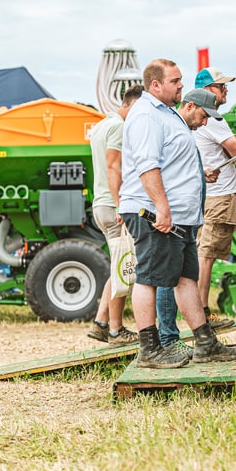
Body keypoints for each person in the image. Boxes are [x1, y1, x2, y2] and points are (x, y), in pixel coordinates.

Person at [119, 59, 236, 368]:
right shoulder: (147, 115)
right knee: (149, 278)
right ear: (155, 85)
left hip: (180, 217)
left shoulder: (167, 115)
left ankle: (204, 342)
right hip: (155, 213)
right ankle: (150, 348)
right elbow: (147, 165)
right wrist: (161, 208)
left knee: (186, 277)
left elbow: (172, 162)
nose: (180, 85)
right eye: (175, 81)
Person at [86, 84, 144, 347]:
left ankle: (100, 323)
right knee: (124, 267)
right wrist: (122, 203)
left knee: (118, 264)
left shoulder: (101, 125)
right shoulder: (120, 127)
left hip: (101, 203)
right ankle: (116, 330)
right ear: (132, 105)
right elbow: (113, 166)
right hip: (113, 205)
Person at [192, 67, 236, 330]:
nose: (226, 90)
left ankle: (200, 312)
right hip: (219, 196)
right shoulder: (214, 120)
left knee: (205, 253)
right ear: (207, 90)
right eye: (220, 86)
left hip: (208, 196)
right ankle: (202, 315)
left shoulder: (199, 121)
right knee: (207, 256)